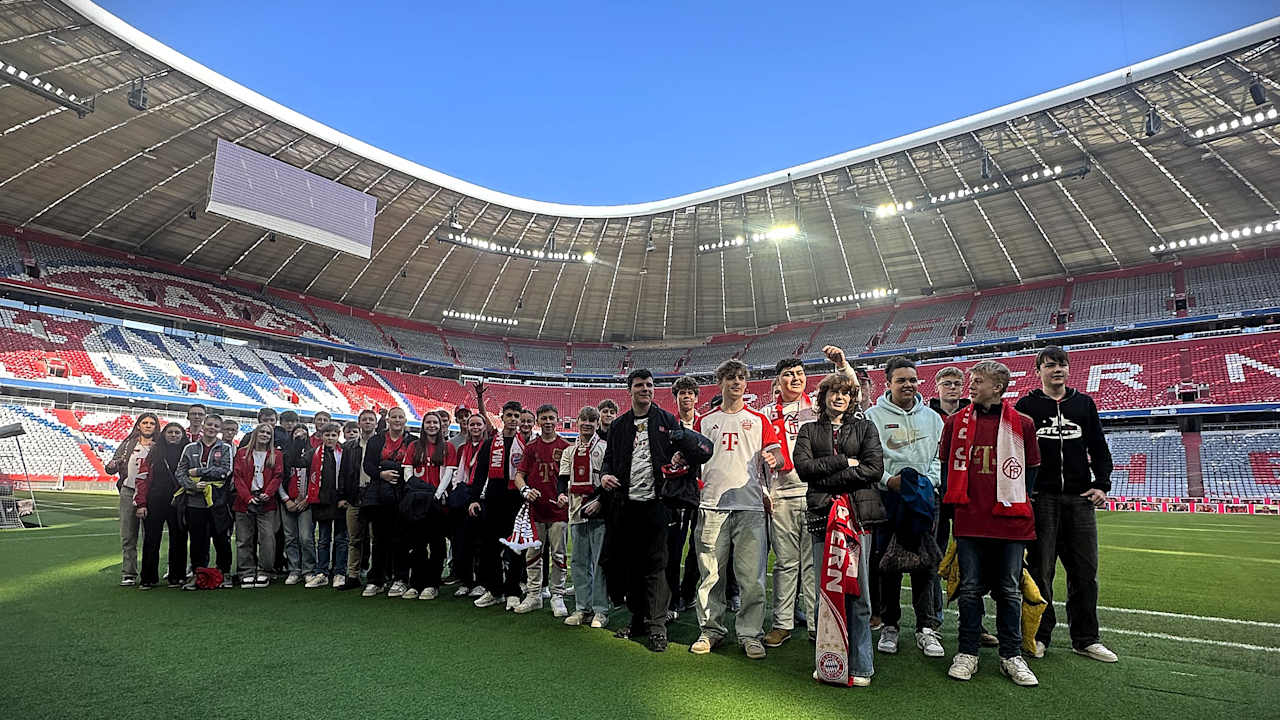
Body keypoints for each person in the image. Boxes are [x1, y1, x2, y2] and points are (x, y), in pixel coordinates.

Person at [941, 361, 1041, 686]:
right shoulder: (955, 422)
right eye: (972, 380)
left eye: (978, 381)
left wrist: (1015, 501)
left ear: (998, 387)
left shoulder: (1022, 424)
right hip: (970, 521)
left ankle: (1011, 655)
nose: (971, 386)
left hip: (1011, 523)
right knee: (969, 589)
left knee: (1010, 591)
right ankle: (967, 652)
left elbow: (1032, 473)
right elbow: (946, 471)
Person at [1015, 346, 1117, 663]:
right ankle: (1038, 635)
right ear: (1038, 371)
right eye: (1050, 365)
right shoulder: (1026, 405)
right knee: (1041, 571)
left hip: (1079, 499)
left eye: (1062, 364)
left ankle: (1085, 638)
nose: (1057, 369)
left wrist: (1102, 484)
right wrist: (1023, 489)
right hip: (1042, 499)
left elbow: (1099, 446)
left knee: (1085, 571)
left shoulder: (1084, 404)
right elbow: (1017, 451)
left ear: (1069, 369)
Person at [601, 369, 714, 653]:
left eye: (649, 385)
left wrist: (681, 448)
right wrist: (604, 476)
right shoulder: (619, 425)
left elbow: (699, 451)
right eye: (639, 385)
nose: (645, 389)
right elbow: (609, 460)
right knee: (631, 566)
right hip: (627, 505)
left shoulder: (666, 420)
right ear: (630, 390)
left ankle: (657, 626)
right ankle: (638, 619)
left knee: (658, 566)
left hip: (659, 504)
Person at [761, 346, 858, 648]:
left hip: (816, 494)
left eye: (800, 373)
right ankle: (782, 623)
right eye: (788, 374)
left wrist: (842, 365)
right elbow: (756, 460)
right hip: (782, 497)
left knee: (815, 564)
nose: (795, 378)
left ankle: (818, 623)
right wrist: (765, 492)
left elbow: (851, 393)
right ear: (777, 381)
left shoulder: (818, 409)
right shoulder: (765, 413)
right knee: (786, 563)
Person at [794, 372, 883, 686]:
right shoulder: (808, 430)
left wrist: (828, 475)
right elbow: (804, 470)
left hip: (858, 519)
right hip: (822, 519)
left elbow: (874, 470)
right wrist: (846, 461)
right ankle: (829, 662)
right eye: (833, 392)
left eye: (845, 393)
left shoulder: (866, 427)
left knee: (858, 594)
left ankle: (861, 665)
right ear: (824, 397)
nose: (839, 398)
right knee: (826, 593)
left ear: (852, 398)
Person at [690, 360, 782, 659]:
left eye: (742, 378)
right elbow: (690, 456)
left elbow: (776, 452)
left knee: (751, 577)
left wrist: (774, 459)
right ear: (721, 382)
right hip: (712, 505)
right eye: (731, 377)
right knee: (710, 575)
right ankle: (710, 630)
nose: (737, 382)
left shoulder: (758, 419)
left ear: (747, 384)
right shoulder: (704, 421)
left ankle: (750, 633)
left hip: (750, 506)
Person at [864, 356, 945, 658]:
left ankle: (927, 628)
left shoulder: (933, 418)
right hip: (889, 497)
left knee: (926, 561)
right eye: (901, 380)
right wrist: (887, 480)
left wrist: (929, 482)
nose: (908, 384)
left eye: (912, 379)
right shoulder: (873, 416)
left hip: (925, 497)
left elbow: (938, 457)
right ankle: (890, 625)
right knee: (888, 564)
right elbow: (868, 459)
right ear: (888, 383)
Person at [929, 366, 996, 645]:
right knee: (934, 558)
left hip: (969, 500)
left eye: (958, 383)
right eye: (947, 383)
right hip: (937, 497)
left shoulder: (975, 415)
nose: (953, 388)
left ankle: (974, 622)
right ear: (937, 387)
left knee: (972, 564)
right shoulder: (928, 416)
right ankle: (931, 620)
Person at [512, 404, 571, 615]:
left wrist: (567, 496)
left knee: (559, 554)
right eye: (543, 418)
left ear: (557, 420)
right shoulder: (531, 447)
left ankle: (557, 595)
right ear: (538, 420)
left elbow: (572, 478)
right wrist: (526, 490)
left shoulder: (565, 446)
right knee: (533, 553)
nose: (547, 422)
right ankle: (534, 594)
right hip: (535, 510)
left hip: (558, 511)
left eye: (551, 418)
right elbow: (519, 475)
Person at [469, 401, 526, 610]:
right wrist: (474, 498)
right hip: (493, 498)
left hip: (517, 499)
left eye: (516, 416)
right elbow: (480, 472)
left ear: (520, 419)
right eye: (509, 415)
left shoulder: (525, 443)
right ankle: (494, 590)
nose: (512, 419)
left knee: (516, 547)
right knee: (490, 547)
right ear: (502, 417)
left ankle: (513, 591)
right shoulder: (490, 443)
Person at [558, 406, 609, 627]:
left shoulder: (606, 448)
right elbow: (562, 479)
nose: (587, 423)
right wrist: (561, 494)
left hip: (600, 511)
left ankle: (600, 610)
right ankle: (581, 607)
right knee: (579, 562)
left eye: (592, 420)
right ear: (577, 422)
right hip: (577, 511)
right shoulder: (569, 451)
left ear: (597, 423)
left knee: (599, 563)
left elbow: (610, 481)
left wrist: (599, 501)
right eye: (584, 420)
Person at [400, 412, 457, 600]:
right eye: (428, 422)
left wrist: (436, 495)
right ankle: (416, 583)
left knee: (437, 543)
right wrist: (418, 490)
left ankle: (432, 584)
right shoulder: (414, 446)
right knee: (417, 544)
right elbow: (407, 472)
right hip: (417, 501)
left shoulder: (448, 447)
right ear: (423, 425)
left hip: (437, 502)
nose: (431, 425)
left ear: (441, 426)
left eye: (435, 422)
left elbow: (448, 474)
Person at [361, 406, 415, 597]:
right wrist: (381, 474)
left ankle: (400, 579)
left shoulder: (412, 441)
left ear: (405, 420)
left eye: (401, 417)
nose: (397, 420)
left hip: (402, 496)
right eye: (394, 417)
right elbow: (367, 465)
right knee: (380, 539)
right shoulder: (376, 440)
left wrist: (400, 475)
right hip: (380, 496)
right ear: (388, 419)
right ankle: (376, 579)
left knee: (401, 539)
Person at [176, 414, 234, 588]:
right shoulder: (189, 447)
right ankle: (197, 573)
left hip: (217, 502)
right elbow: (180, 472)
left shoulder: (225, 448)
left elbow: (225, 471)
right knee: (197, 541)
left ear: (220, 429)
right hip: (195, 502)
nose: (212, 428)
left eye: (216, 426)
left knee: (221, 539)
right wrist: (192, 487)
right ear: (203, 425)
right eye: (209, 424)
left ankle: (224, 573)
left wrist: (198, 472)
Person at [133, 422, 190, 589]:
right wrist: (141, 503)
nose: (173, 435)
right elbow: (142, 478)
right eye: (170, 432)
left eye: (177, 432)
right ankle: (148, 578)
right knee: (151, 539)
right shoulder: (153, 453)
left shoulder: (188, 452)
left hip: (178, 501)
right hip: (155, 501)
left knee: (179, 539)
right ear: (164, 434)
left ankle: (177, 576)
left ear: (182, 435)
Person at [105, 412, 158, 587]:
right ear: (138, 425)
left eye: (152, 423)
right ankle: (129, 572)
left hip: (151, 495)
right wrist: (112, 465)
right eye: (145, 422)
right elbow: (111, 467)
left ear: (156, 427)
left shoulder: (159, 446)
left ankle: (148, 573)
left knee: (149, 536)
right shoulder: (128, 445)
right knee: (128, 535)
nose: (148, 425)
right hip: (128, 491)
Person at [666, 375, 702, 615]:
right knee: (673, 546)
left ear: (697, 398)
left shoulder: (706, 423)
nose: (686, 397)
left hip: (702, 492)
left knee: (698, 546)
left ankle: (688, 592)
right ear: (676, 398)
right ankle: (672, 596)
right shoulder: (669, 424)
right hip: (676, 494)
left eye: (690, 393)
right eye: (682, 393)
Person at [232, 423, 284, 588]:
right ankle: (246, 571)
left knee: (267, 538)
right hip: (244, 501)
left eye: (268, 433)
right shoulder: (242, 453)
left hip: (266, 502)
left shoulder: (276, 455)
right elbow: (238, 477)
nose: (264, 435)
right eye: (261, 431)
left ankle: (265, 571)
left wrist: (268, 494)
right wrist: (247, 497)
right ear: (255, 433)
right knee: (244, 539)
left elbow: (278, 476)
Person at [337, 409, 378, 590]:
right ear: (359, 423)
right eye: (364, 419)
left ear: (376, 423)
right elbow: (344, 473)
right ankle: (352, 575)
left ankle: (375, 574)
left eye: (371, 419)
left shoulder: (381, 444)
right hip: (355, 496)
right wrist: (343, 496)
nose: (368, 422)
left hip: (376, 497)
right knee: (354, 538)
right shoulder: (349, 447)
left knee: (376, 538)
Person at [451, 414, 489, 597]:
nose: (474, 428)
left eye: (478, 424)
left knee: (480, 542)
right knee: (462, 542)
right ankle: (465, 581)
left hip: (481, 498)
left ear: (484, 427)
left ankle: (481, 581)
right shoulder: (462, 448)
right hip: (464, 497)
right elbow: (458, 474)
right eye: (471, 424)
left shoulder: (488, 447)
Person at [307, 422, 348, 589]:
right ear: (321, 436)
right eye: (327, 435)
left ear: (338, 436)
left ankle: (339, 572)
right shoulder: (313, 453)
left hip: (340, 502)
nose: (330, 438)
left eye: (333, 435)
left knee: (341, 539)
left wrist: (345, 497)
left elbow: (348, 475)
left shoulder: (344, 453)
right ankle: (321, 572)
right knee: (323, 539)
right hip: (322, 502)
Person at [280, 425, 319, 586]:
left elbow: (316, 478)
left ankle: (308, 569)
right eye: (297, 433)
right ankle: (294, 569)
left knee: (306, 537)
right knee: (290, 537)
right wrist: (286, 500)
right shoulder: (284, 456)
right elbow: (278, 479)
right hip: (287, 502)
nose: (300, 437)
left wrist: (307, 499)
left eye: (303, 434)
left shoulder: (313, 455)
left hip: (306, 503)